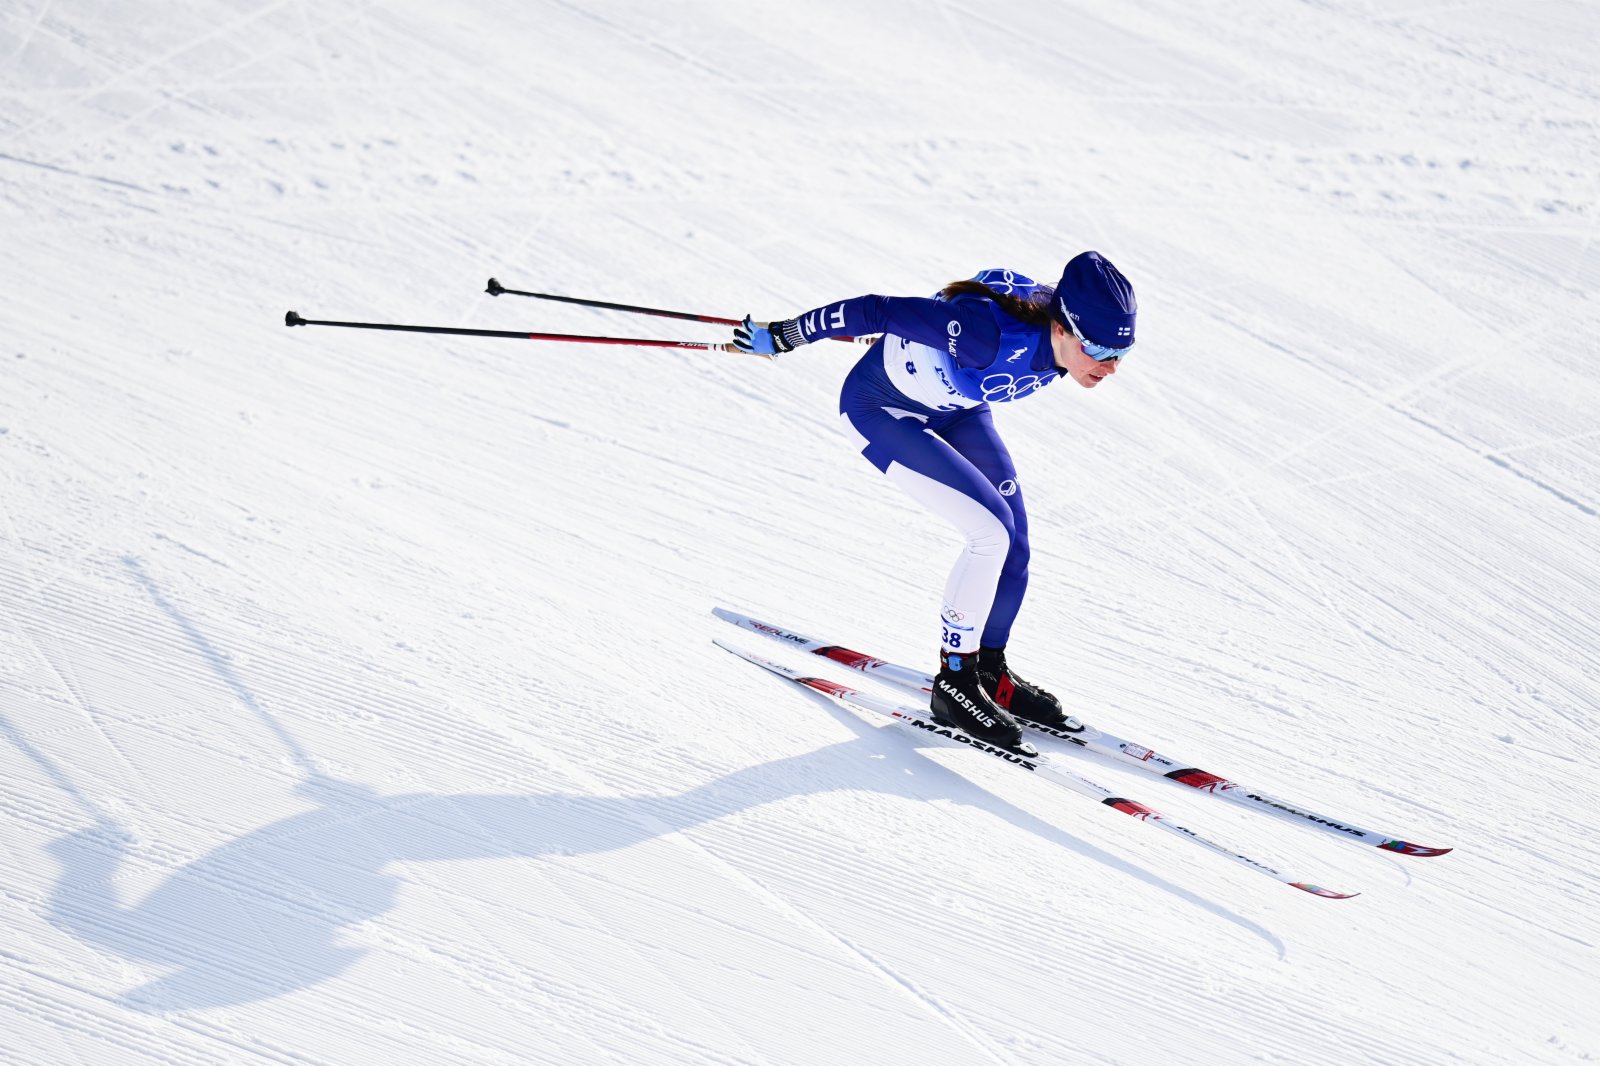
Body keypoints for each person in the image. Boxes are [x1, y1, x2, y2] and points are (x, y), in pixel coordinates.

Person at [733, 252, 1138, 754]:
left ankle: (990, 673)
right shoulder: (982, 334)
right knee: (988, 535)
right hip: (882, 410)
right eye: (1099, 348)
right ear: (1060, 328)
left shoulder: (1056, 337)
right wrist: (784, 335)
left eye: (1122, 351)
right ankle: (955, 683)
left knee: (1014, 544)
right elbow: (877, 309)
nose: (1111, 366)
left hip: (956, 411)